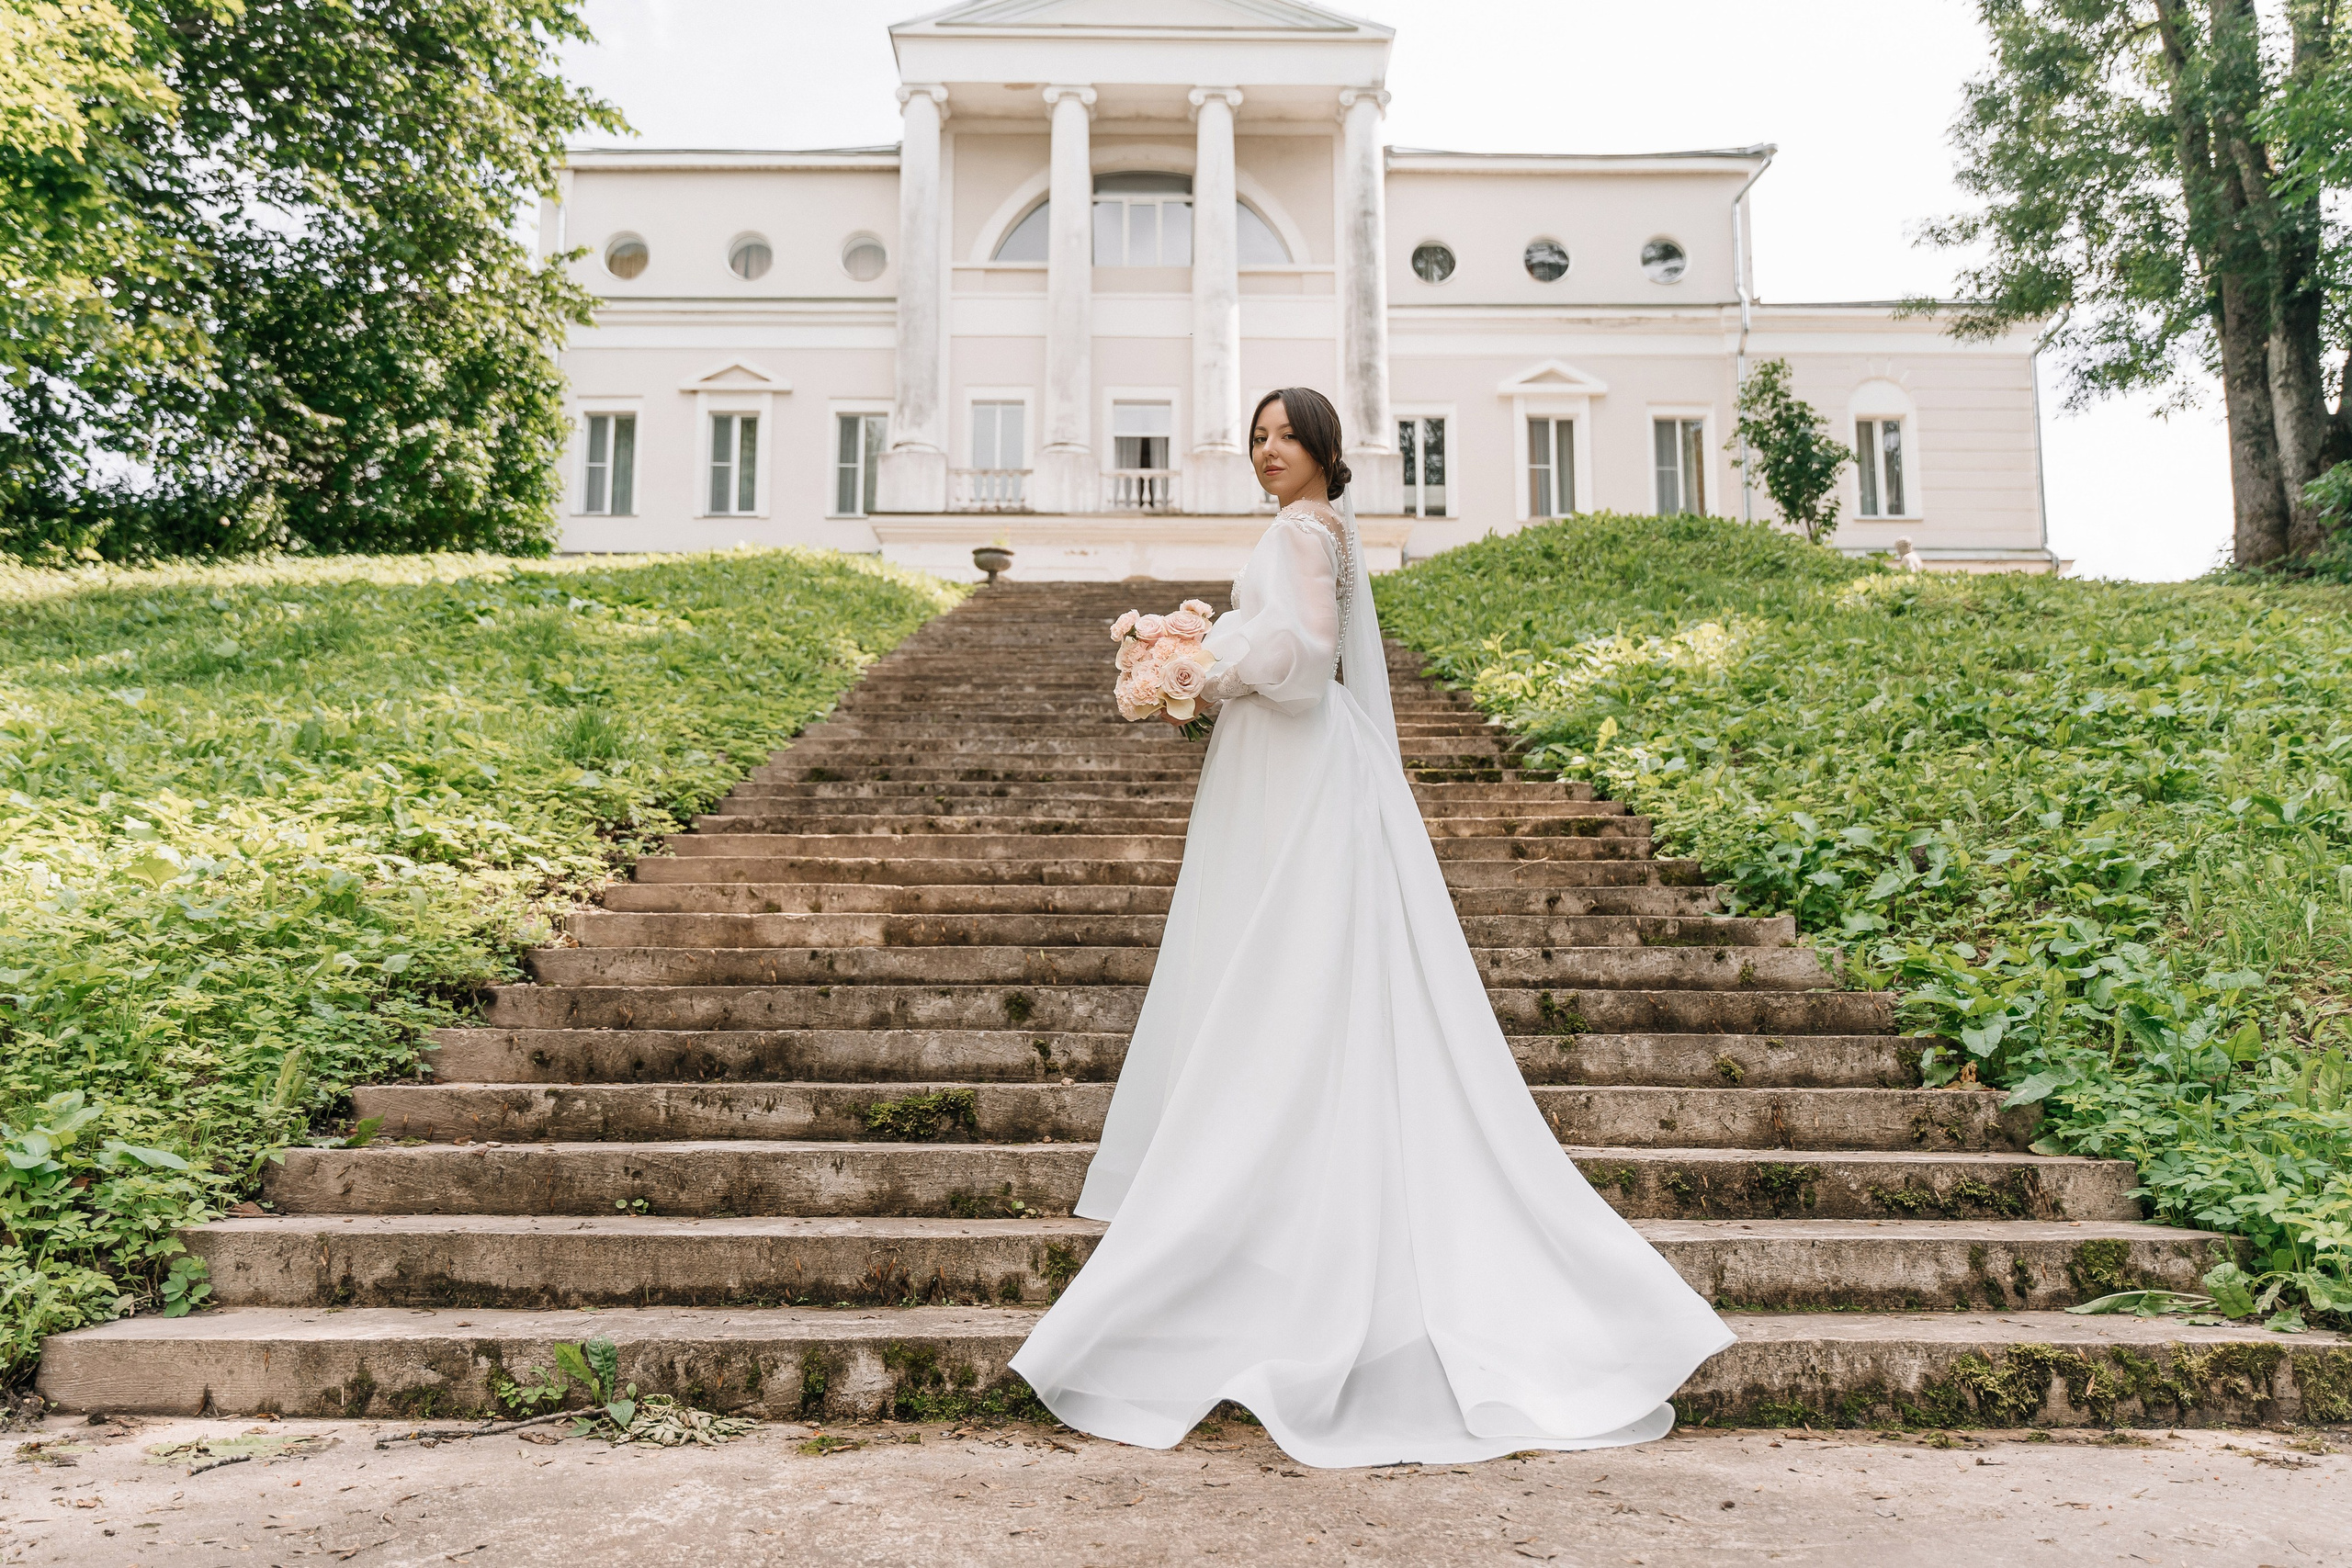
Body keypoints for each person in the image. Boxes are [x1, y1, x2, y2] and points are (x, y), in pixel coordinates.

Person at [1010, 388, 1732, 1468]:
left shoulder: (1305, 530)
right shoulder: (1314, 530)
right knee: (1294, 975)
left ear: (1321, 452)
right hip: (1292, 767)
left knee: (1288, 973)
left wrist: (1202, 668)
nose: (1265, 454)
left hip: (1298, 770)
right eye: (1255, 439)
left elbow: (1301, 660)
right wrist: (1195, 664)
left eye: (1283, 439)